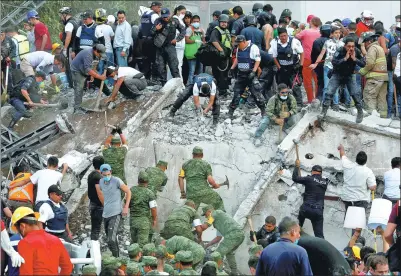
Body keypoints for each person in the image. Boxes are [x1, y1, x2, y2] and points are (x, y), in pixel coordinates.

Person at [11, 207, 73, 274]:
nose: (19, 233)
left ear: (22, 226)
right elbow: (68, 267)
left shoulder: (25, 243)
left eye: (18, 229)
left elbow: (26, 273)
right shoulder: (55, 239)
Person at [320, 37, 365, 123]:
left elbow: (363, 64)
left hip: (349, 75)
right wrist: (345, 59)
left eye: (352, 46)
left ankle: (360, 112)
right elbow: (334, 62)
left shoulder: (357, 51)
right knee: (329, 92)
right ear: (345, 46)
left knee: (355, 94)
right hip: (337, 74)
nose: (351, 48)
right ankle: (323, 111)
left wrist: (355, 59)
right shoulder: (340, 50)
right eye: (349, 46)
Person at [97, 164, 131, 257]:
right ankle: (115, 257)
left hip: (116, 213)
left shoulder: (116, 181)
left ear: (111, 172)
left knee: (111, 239)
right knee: (109, 239)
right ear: (101, 174)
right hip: (106, 214)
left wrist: (125, 207)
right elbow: (101, 194)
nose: (107, 176)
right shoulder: (101, 182)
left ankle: (116, 259)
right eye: (104, 175)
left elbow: (128, 191)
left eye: (108, 174)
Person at [228, 35, 266, 119]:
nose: (238, 45)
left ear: (244, 42)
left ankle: (263, 111)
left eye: (239, 43)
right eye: (237, 43)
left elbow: (257, 60)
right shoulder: (238, 48)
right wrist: (232, 68)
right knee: (236, 94)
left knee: (257, 94)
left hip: (250, 75)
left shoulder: (253, 48)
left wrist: (253, 71)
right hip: (241, 75)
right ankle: (230, 112)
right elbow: (237, 59)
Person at [310, 24, 346, 110]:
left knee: (335, 87)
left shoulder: (342, 44)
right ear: (331, 34)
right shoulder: (327, 42)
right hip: (327, 66)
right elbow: (322, 54)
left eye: (339, 33)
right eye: (336, 33)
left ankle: (335, 104)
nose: (337, 34)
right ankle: (325, 104)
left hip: (337, 68)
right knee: (326, 86)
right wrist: (315, 63)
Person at [178, 146, 226, 211]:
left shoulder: (185, 165)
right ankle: (219, 219)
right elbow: (210, 180)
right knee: (218, 202)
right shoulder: (205, 164)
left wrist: (183, 192)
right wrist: (215, 185)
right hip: (204, 192)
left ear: (193, 155)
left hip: (191, 194)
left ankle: (189, 220)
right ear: (202, 155)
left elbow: (180, 178)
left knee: (191, 211)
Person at [201, 205, 245, 274]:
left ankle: (219, 273)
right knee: (229, 253)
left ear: (209, 211)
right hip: (239, 235)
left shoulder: (215, 213)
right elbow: (218, 238)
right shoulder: (218, 220)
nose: (205, 217)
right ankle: (234, 273)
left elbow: (204, 226)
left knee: (217, 254)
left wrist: (196, 223)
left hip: (233, 234)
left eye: (205, 214)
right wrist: (208, 244)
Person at [338, 144, 376, 218]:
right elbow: (372, 188)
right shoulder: (368, 171)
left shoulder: (347, 165)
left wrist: (341, 148)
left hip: (348, 199)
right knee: (358, 224)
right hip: (361, 200)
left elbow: (342, 155)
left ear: (356, 159)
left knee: (351, 221)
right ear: (365, 161)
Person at [293, 161, 328, 239]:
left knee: (298, 227)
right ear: (321, 173)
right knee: (319, 236)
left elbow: (295, 178)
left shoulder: (309, 179)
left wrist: (296, 166)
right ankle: (321, 249)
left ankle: (297, 233)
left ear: (312, 172)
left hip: (306, 208)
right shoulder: (325, 182)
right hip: (318, 211)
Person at [70, 44, 108, 114]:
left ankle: (78, 106)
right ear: (96, 51)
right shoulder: (88, 54)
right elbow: (87, 69)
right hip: (77, 70)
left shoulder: (95, 55)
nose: (100, 56)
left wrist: (93, 75)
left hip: (83, 68)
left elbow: (93, 65)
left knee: (83, 87)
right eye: (100, 54)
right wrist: (99, 76)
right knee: (79, 88)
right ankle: (77, 108)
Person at [270, 27, 304, 106]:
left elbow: (302, 53)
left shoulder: (294, 42)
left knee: (295, 87)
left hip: (293, 68)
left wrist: (301, 65)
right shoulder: (274, 43)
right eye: (282, 36)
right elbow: (274, 57)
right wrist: (279, 67)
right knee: (282, 87)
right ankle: (283, 104)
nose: (284, 38)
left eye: (285, 36)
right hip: (282, 69)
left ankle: (299, 104)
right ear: (279, 36)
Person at [359, 32, 389, 118]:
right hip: (383, 78)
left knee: (369, 95)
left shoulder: (372, 48)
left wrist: (363, 71)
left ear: (368, 41)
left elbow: (370, 64)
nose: (364, 44)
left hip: (375, 79)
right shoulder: (379, 48)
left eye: (364, 42)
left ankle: (370, 115)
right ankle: (383, 117)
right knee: (381, 99)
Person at [296, 16, 322, 102]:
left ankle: (310, 99)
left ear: (311, 23)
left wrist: (300, 28)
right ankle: (318, 98)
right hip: (318, 59)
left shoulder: (305, 31)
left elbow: (296, 36)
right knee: (317, 79)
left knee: (307, 80)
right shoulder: (320, 33)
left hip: (307, 57)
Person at [129, 171, 157, 247]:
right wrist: (154, 219)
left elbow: (126, 203)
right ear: (147, 181)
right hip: (144, 222)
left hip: (133, 221)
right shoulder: (150, 193)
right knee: (142, 245)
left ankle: (133, 258)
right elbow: (153, 209)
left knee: (134, 243)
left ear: (138, 181)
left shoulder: (131, 190)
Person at [209, 14, 232, 96]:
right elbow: (214, 41)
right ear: (219, 22)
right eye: (222, 22)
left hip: (226, 56)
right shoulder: (216, 30)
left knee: (225, 73)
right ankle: (220, 90)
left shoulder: (226, 30)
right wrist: (221, 50)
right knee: (220, 74)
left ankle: (224, 89)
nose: (224, 24)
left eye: (225, 22)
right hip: (219, 56)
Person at [139, 1, 162, 82]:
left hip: (143, 40)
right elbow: (159, 27)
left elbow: (141, 28)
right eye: (159, 7)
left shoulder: (144, 14)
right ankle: (154, 79)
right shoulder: (154, 15)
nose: (160, 9)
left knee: (146, 60)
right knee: (154, 60)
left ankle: (146, 78)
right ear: (154, 6)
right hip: (151, 41)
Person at [184, 15, 205, 85]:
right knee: (191, 71)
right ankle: (189, 85)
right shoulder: (189, 29)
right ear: (191, 22)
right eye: (194, 21)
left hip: (200, 53)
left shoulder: (201, 30)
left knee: (200, 71)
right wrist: (195, 41)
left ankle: (200, 85)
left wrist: (202, 42)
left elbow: (203, 41)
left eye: (197, 21)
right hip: (192, 53)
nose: (196, 23)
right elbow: (186, 40)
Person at [88, 156, 104, 240]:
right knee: (96, 229)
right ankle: (94, 248)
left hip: (93, 204)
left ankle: (93, 245)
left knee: (95, 227)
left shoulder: (91, 175)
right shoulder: (98, 177)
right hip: (98, 206)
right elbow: (100, 193)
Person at [94, 8, 115, 73]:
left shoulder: (96, 28)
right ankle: (110, 83)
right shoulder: (109, 27)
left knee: (100, 69)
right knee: (110, 70)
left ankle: (100, 82)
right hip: (109, 51)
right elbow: (112, 37)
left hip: (100, 52)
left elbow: (95, 39)